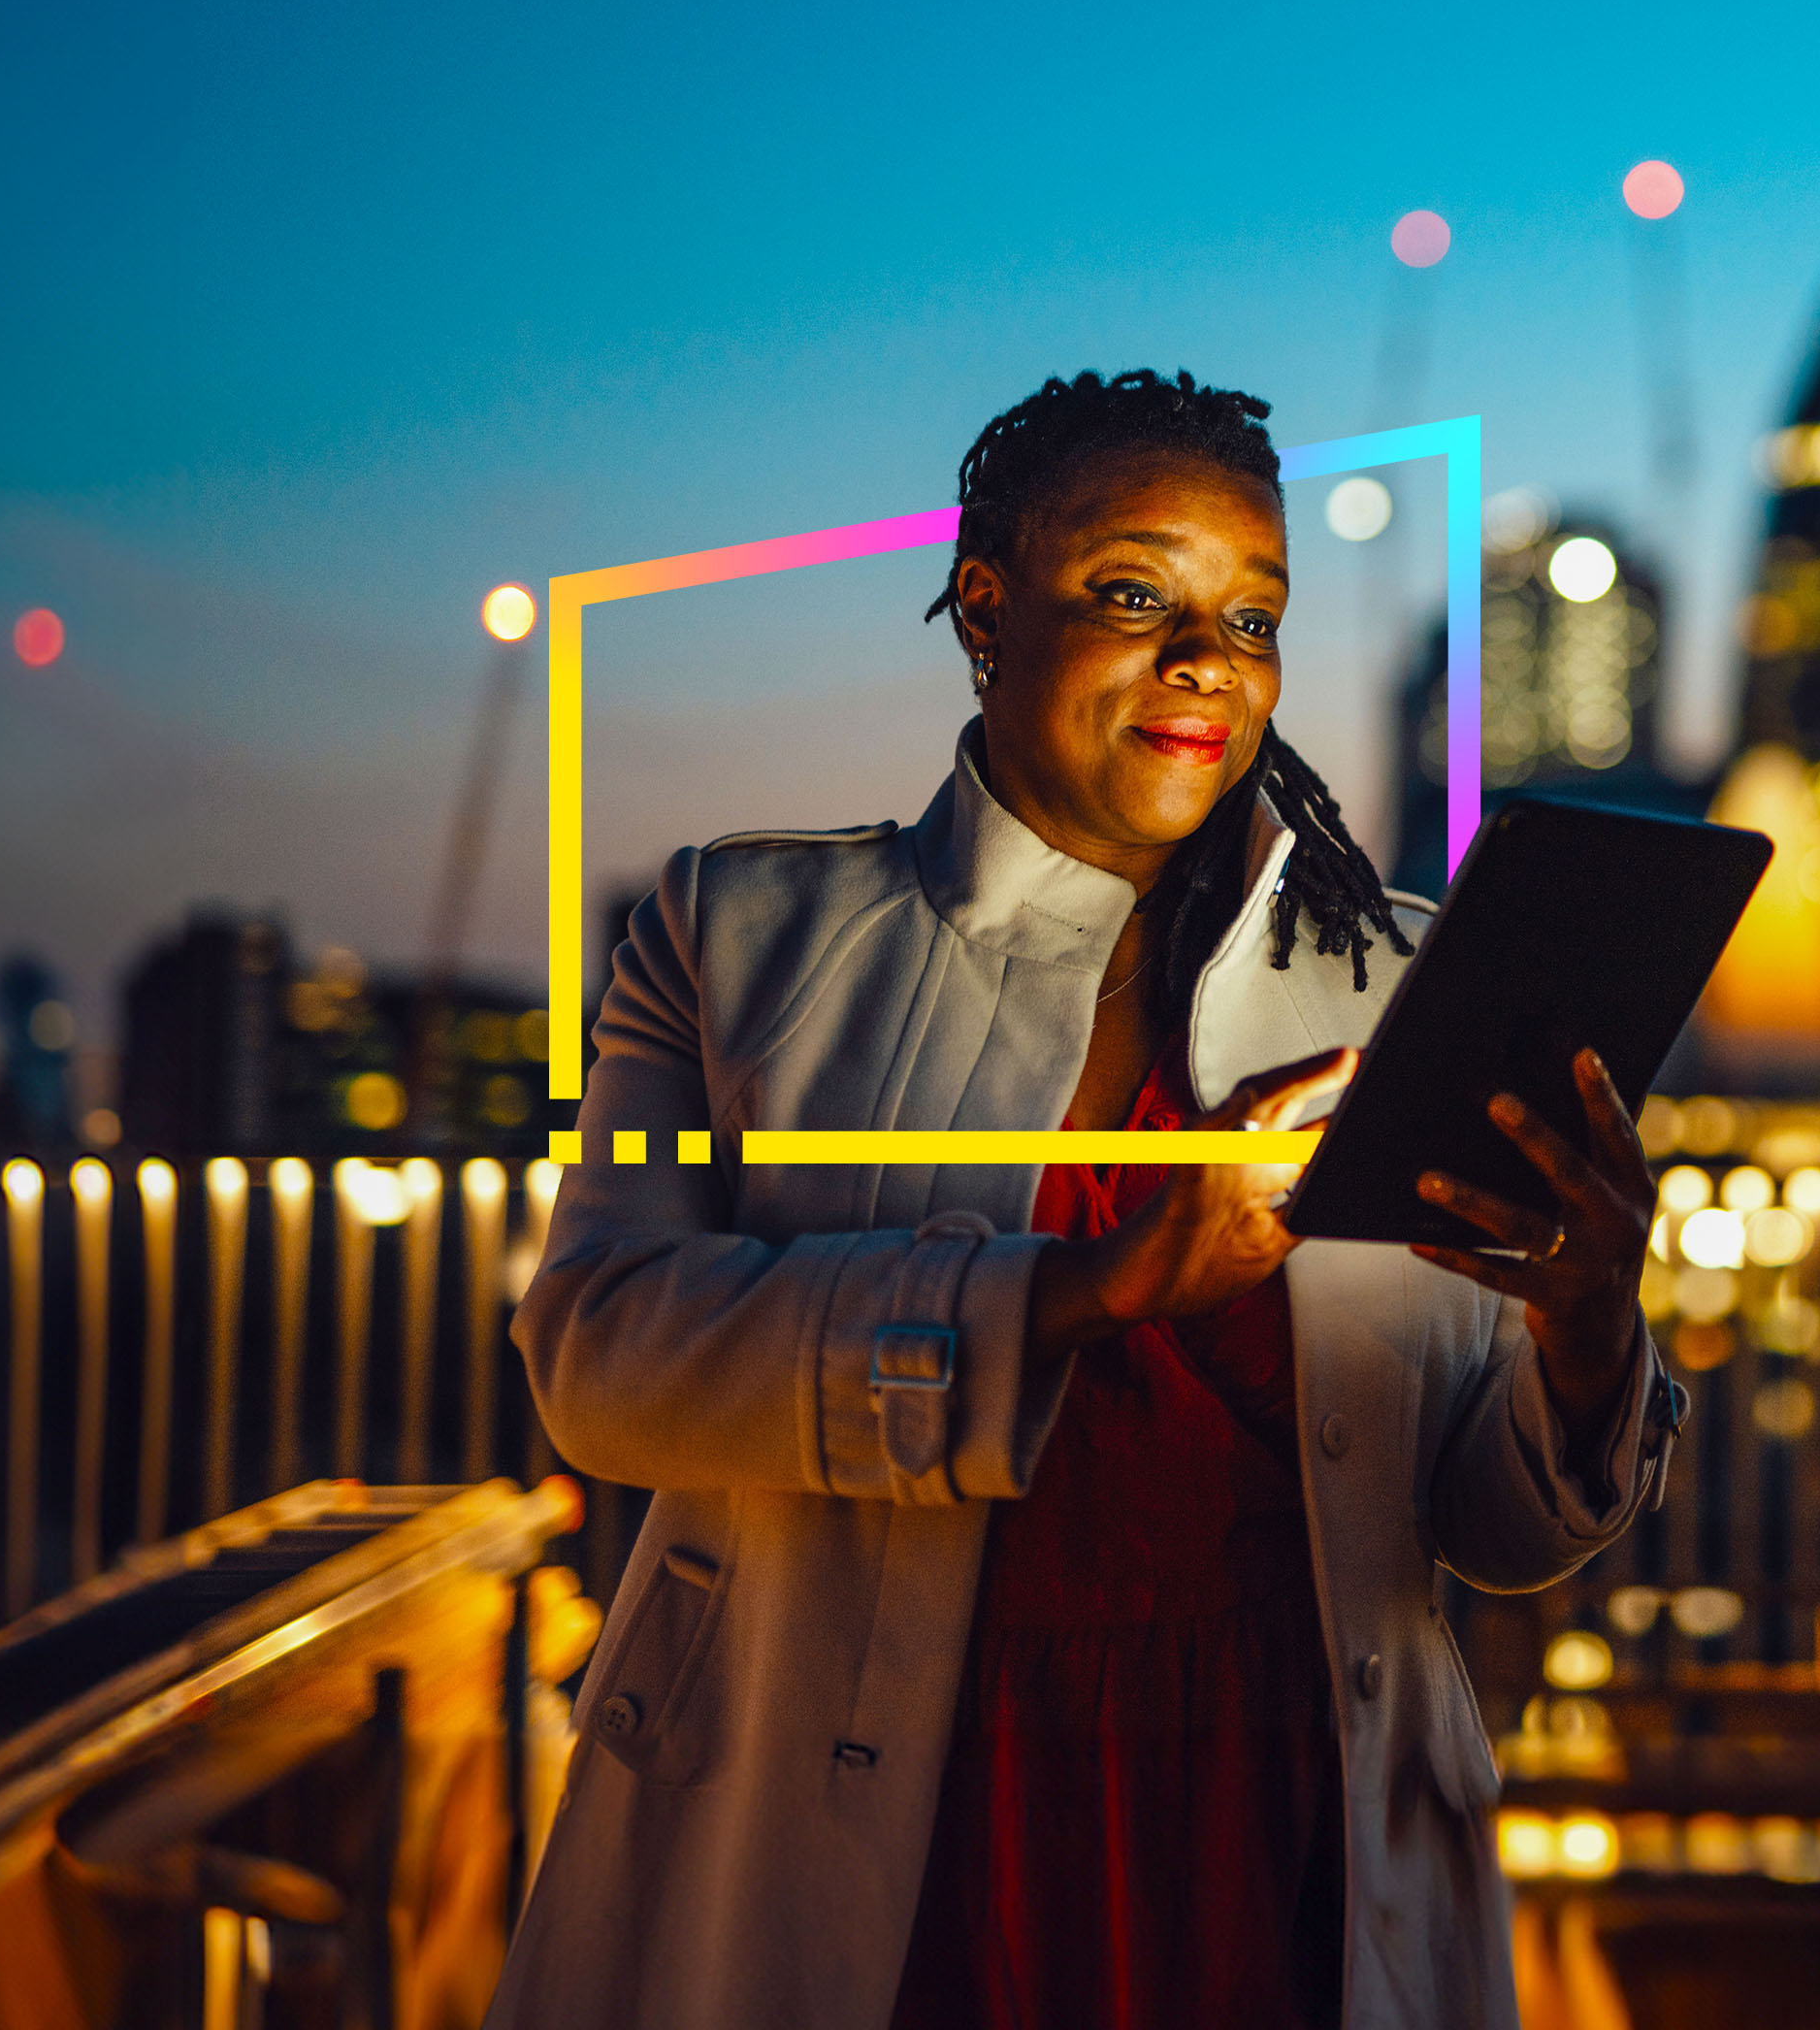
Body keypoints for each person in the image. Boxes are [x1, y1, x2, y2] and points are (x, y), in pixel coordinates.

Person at [494, 371, 1681, 2030]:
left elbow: (1491, 1526)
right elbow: (601, 1360)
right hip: (883, 1816)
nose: (1208, 661)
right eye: (1135, 596)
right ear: (985, 607)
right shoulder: (738, 932)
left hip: (1281, 1821)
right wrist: (1096, 1285)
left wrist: (1583, 1321)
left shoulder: (1405, 982)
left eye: (1250, 617)